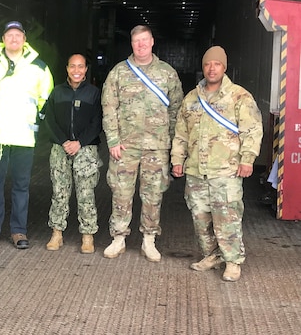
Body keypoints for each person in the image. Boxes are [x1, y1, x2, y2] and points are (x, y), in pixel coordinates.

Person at [171, 46, 263, 282]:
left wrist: (248, 160)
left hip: (226, 170)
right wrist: (177, 160)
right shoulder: (191, 98)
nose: (212, 69)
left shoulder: (240, 97)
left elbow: (252, 130)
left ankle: (232, 261)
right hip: (196, 170)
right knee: (200, 217)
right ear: (203, 68)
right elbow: (181, 133)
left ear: (224, 67)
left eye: (217, 64)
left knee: (227, 217)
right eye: (207, 64)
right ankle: (212, 254)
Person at [101, 25, 183, 262]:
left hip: (157, 147)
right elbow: (109, 108)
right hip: (125, 146)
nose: (141, 45)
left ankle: (149, 239)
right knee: (121, 193)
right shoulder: (118, 73)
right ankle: (118, 238)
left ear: (152, 41)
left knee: (153, 195)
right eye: (137, 41)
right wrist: (113, 141)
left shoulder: (167, 73)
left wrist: (170, 146)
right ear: (131, 43)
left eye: (145, 40)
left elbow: (177, 110)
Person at [0, 20, 54, 249]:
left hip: (24, 137)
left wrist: (33, 119)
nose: (14, 39)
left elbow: (45, 98)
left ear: (25, 40)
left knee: (21, 187)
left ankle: (19, 231)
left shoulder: (39, 67)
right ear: (3, 39)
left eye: (18, 35)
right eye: (10, 35)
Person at [44, 53, 102, 254]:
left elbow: (98, 122)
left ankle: (87, 236)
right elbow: (48, 120)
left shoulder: (94, 94)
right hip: (60, 149)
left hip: (86, 150)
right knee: (59, 193)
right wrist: (63, 141)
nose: (76, 70)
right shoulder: (57, 92)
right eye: (72, 66)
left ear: (86, 69)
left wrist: (80, 142)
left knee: (86, 194)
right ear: (67, 68)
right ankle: (57, 233)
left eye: (81, 66)